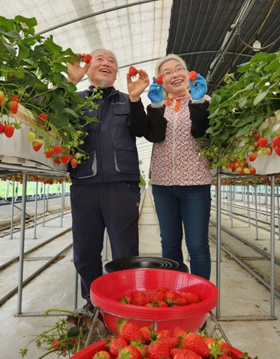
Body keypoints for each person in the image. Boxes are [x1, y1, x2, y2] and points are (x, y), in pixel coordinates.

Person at [67, 49, 149, 312]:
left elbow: (141, 130)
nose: (106, 63)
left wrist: (136, 100)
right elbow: (49, 119)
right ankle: (92, 304)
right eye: (99, 60)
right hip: (84, 185)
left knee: (125, 252)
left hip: (121, 186)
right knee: (85, 253)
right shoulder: (75, 101)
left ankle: (123, 304)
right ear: (88, 69)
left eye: (112, 61)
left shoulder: (128, 101)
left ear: (116, 71)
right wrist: (69, 83)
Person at [127, 54, 213, 280]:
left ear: (188, 73)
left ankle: (200, 302)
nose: (174, 74)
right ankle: (174, 295)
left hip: (196, 184)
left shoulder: (205, 102)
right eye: (167, 72)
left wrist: (198, 103)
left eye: (179, 69)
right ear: (161, 81)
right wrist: (154, 106)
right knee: (170, 244)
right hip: (163, 186)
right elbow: (154, 135)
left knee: (197, 245)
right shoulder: (158, 106)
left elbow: (200, 132)